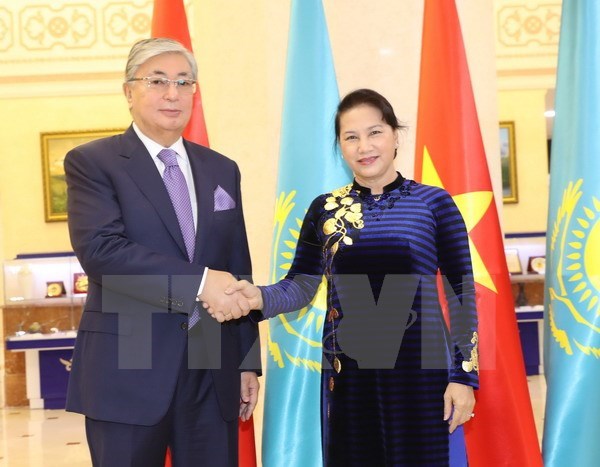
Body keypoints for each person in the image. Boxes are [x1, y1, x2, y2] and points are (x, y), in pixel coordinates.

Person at [214, 89, 478, 466]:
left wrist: (464, 378)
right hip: (350, 375)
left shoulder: (434, 204)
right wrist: (258, 297)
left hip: (421, 374)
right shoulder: (324, 209)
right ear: (340, 146)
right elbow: (302, 284)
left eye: (375, 133)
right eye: (350, 137)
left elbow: (461, 295)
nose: (364, 146)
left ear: (395, 136)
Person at [64, 38, 260, 467]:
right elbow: (102, 252)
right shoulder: (94, 162)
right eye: (157, 81)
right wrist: (202, 282)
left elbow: (237, 265)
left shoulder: (221, 168)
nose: (172, 93)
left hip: (213, 363)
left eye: (183, 82)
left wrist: (247, 361)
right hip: (128, 367)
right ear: (128, 91)